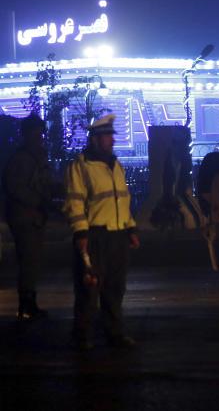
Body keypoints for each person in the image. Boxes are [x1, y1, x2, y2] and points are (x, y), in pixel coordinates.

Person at [63, 114, 140, 350]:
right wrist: (81, 234)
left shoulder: (116, 166)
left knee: (115, 289)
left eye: (112, 136)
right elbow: (75, 203)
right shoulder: (81, 166)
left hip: (117, 237)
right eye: (107, 137)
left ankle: (115, 334)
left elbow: (121, 202)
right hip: (94, 236)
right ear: (95, 139)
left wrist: (130, 229)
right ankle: (83, 336)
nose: (112, 141)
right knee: (89, 289)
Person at [2, 113, 58, 321]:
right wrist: (37, 204)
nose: (40, 135)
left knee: (32, 262)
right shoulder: (24, 158)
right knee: (29, 261)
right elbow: (16, 188)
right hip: (25, 217)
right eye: (37, 131)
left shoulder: (33, 157)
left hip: (30, 215)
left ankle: (29, 303)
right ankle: (26, 305)